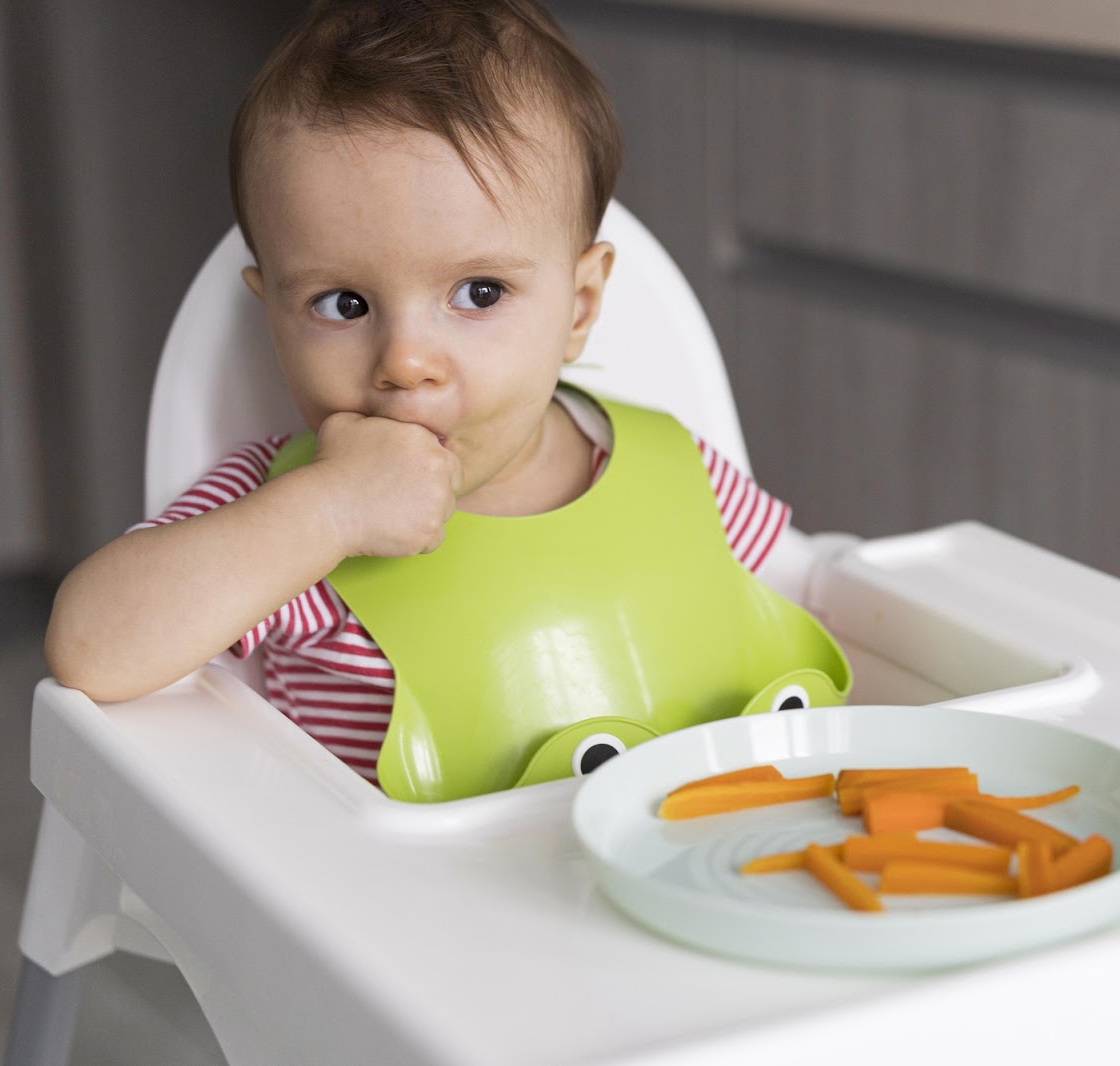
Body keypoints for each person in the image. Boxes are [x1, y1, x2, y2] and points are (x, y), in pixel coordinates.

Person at [43, 0, 848, 800]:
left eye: (480, 291)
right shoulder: (279, 522)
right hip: (396, 917)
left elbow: (814, 596)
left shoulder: (683, 475)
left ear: (579, 305)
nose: (406, 362)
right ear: (273, 317)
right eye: (343, 304)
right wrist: (325, 515)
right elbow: (89, 648)